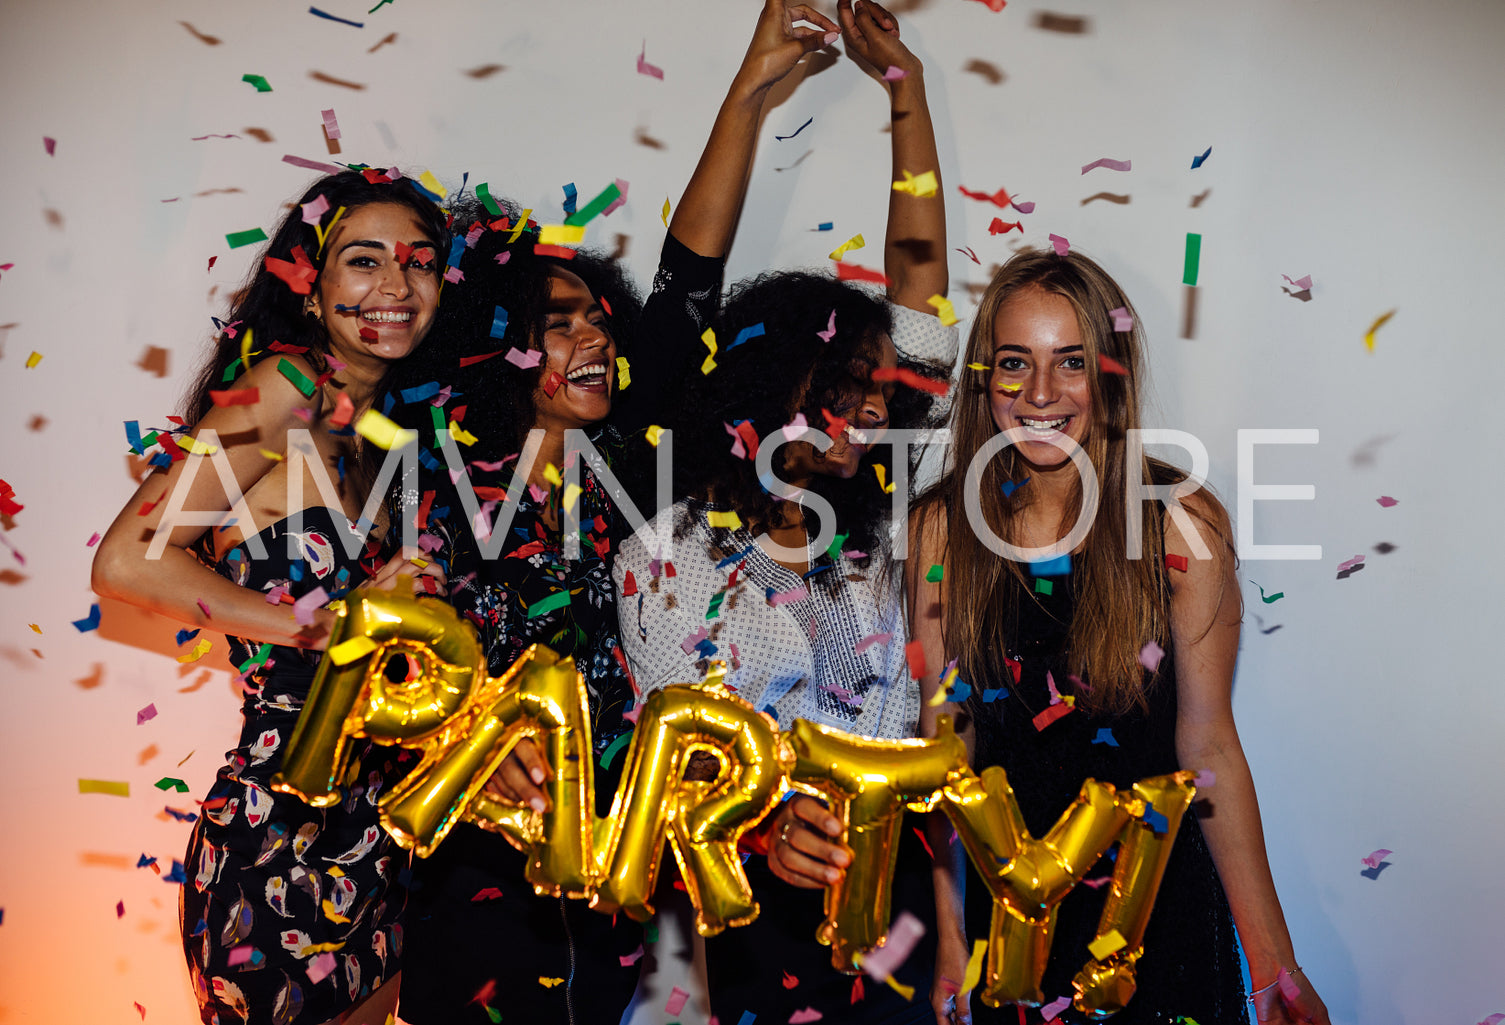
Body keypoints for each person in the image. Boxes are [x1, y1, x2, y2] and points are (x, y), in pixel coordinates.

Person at [613, 2, 957, 1021]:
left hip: (900, 884)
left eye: (866, 396)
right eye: (826, 395)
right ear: (758, 396)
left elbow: (923, 309)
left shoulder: (878, 516)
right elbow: (684, 757)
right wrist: (766, 828)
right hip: (756, 896)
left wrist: (908, 95)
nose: (853, 423)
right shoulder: (665, 552)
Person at [906, 246, 1332, 1025]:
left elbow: (1208, 750)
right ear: (984, 380)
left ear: (1111, 370)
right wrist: (945, 939)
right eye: (1014, 362)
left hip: (1155, 926)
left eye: (1070, 360)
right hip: (1009, 937)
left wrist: (1275, 962)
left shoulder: (1180, 519)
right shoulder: (940, 529)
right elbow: (945, 756)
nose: (1039, 392)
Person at [91, 169, 451, 1025]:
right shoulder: (282, 386)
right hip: (279, 829)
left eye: (420, 263)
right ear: (309, 285)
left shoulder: (382, 437)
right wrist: (318, 624)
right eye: (364, 261)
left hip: (380, 833)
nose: (395, 287)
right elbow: (127, 563)